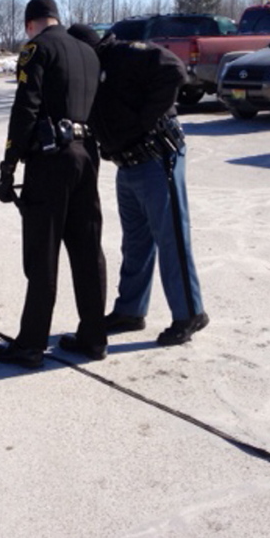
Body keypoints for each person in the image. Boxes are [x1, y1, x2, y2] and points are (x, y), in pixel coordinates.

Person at [67, 23, 209, 346]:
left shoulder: (123, 55)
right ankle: (131, 310)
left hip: (157, 158)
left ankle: (190, 313)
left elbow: (173, 70)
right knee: (135, 244)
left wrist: (143, 121)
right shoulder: (92, 71)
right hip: (127, 165)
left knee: (171, 238)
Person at [0, 0, 107, 369]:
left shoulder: (36, 50)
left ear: (30, 24)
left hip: (51, 160)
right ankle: (94, 337)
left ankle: (30, 345)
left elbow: (25, 107)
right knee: (88, 249)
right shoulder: (87, 52)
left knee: (42, 254)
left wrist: (8, 166)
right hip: (87, 156)